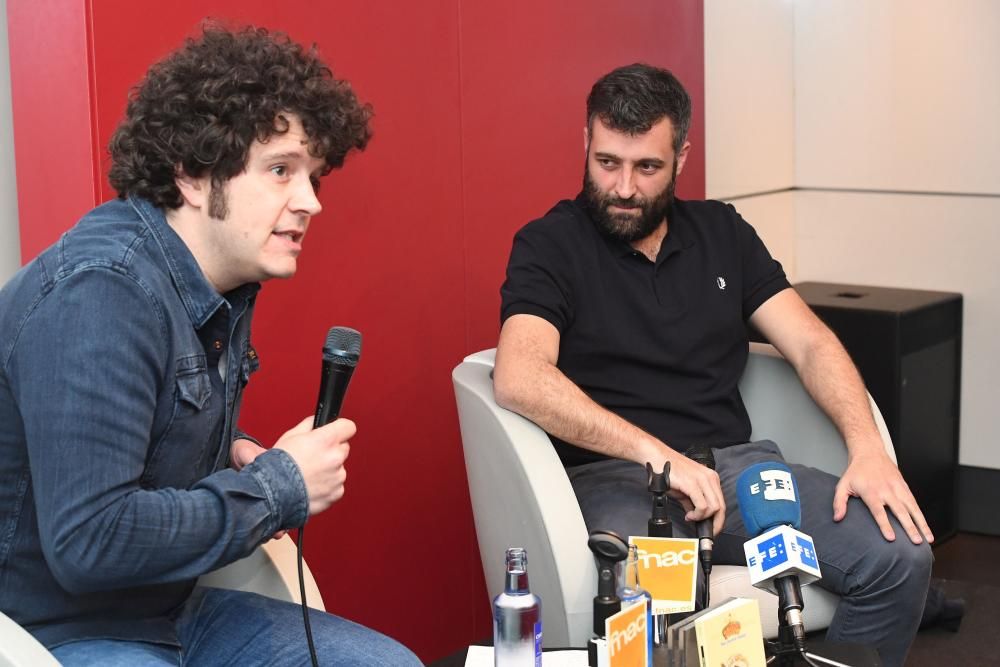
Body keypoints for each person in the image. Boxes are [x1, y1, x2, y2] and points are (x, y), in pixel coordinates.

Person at [0, 25, 420, 666]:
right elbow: (88, 541)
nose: (310, 202)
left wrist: (229, 454)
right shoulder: (102, 294)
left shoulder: (214, 282)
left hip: (167, 611)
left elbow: (133, 427)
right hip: (58, 633)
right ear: (194, 175)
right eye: (281, 171)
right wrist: (279, 487)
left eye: (313, 176)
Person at [494, 63, 932, 667]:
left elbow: (809, 342)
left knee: (900, 556)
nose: (623, 187)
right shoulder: (549, 245)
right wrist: (659, 458)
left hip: (739, 470)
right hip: (619, 481)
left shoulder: (724, 232)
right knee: (654, 599)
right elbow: (520, 374)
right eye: (606, 163)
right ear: (586, 144)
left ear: (681, 157)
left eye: (646, 167)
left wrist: (868, 449)